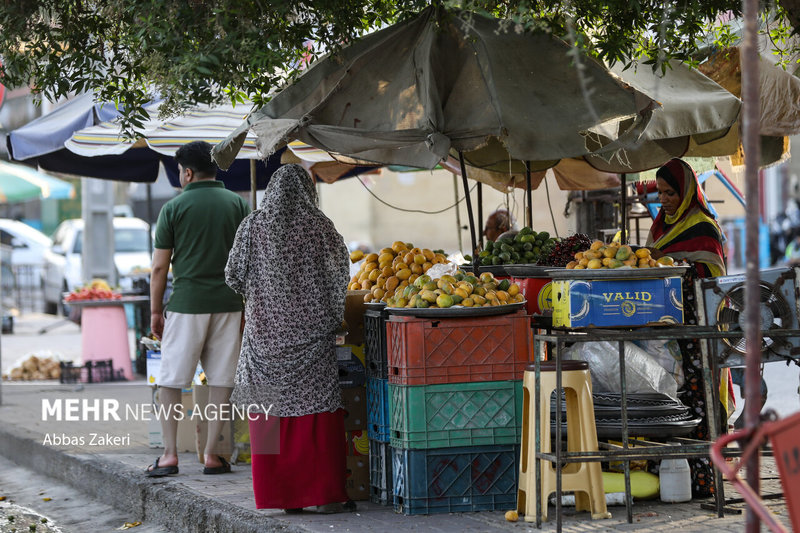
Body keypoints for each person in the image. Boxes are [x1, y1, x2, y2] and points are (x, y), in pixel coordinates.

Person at [225, 164, 352, 513]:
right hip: (312, 339)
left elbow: (233, 275)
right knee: (318, 413)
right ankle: (325, 496)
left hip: (263, 338)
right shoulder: (320, 226)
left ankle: (279, 497)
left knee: (266, 412)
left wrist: (260, 294)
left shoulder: (252, 225)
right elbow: (341, 270)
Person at [146, 141, 251, 478]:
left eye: (179, 171)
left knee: (172, 380)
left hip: (187, 305)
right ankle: (212, 455)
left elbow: (160, 268)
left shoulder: (173, 209)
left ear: (187, 173)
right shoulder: (238, 204)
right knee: (222, 380)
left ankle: (169, 455)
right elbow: (249, 262)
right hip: (229, 305)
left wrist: (154, 311)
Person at [645, 157, 729, 498]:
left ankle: (704, 481)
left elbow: (714, 277)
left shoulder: (704, 227)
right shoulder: (661, 226)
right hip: (666, 332)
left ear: (687, 192)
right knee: (666, 400)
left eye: (670, 193)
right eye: (660, 192)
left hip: (697, 334)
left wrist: (678, 268)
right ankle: (664, 478)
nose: (663, 200)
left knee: (698, 402)